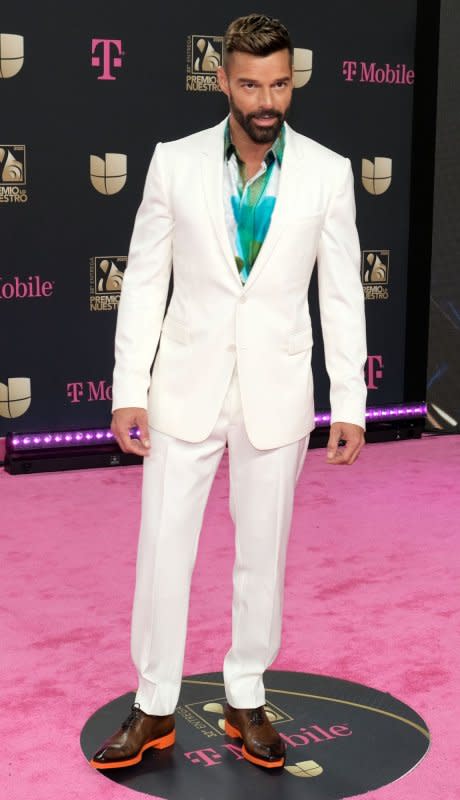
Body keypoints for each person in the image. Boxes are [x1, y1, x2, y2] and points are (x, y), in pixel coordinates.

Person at [90, 13, 367, 772]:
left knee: (262, 558)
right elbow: (143, 281)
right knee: (163, 551)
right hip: (185, 387)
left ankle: (246, 695)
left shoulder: (328, 171)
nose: (266, 99)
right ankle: (153, 705)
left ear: (291, 81)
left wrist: (350, 402)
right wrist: (128, 389)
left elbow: (342, 294)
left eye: (279, 83)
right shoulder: (173, 163)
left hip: (276, 395)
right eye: (251, 84)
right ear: (223, 81)